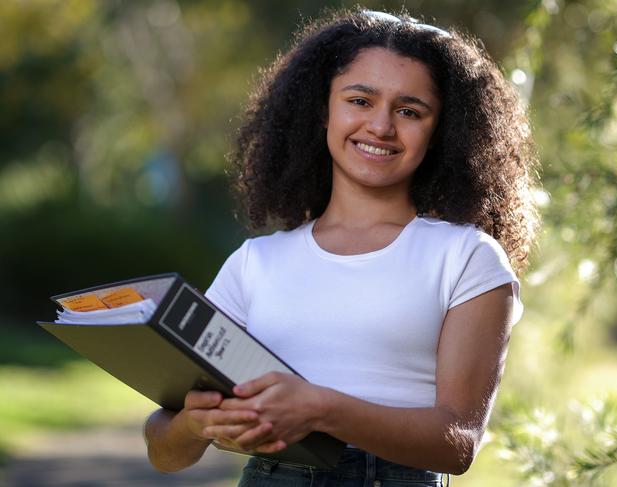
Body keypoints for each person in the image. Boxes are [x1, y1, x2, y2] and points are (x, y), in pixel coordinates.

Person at [144, 7, 539, 486]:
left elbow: (458, 441)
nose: (381, 127)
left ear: (440, 133)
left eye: (410, 111)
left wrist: (321, 409)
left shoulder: (468, 258)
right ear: (322, 109)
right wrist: (195, 424)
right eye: (360, 100)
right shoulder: (255, 263)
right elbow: (166, 452)